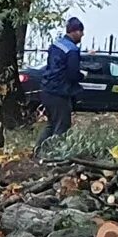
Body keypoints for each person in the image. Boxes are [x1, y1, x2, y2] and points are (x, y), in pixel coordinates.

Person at [37, 16, 84, 153]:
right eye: (81, 31)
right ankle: (55, 153)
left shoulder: (56, 45)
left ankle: (38, 151)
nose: (82, 35)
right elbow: (72, 74)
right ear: (75, 31)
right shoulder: (72, 50)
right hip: (60, 92)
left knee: (51, 123)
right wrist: (82, 76)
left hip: (47, 89)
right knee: (62, 126)